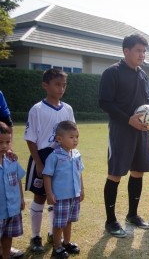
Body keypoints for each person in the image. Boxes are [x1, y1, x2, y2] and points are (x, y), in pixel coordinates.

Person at [99, 34, 149, 238]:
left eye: (144, 51)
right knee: (116, 173)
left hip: (141, 131)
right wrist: (128, 119)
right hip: (121, 130)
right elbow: (105, 102)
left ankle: (132, 214)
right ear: (126, 51)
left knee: (138, 171)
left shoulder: (143, 75)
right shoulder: (111, 72)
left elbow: (146, 101)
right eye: (138, 50)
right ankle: (110, 220)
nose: (142, 55)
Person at [24, 69, 75, 252]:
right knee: (40, 196)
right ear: (45, 85)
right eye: (57, 84)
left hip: (61, 159)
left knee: (58, 197)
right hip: (42, 156)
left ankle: (54, 234)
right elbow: (30, 138)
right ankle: (35, 236)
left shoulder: (67, 109)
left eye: (64, 85)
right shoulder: (37, 109)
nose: (61, 88)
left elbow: (72, 134)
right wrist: (38, 162)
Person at [43, 121, 84, 258]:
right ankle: (57, 247)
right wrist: (49, 193)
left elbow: (79, 173)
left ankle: (66, 242)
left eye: (77, 136)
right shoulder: (54, 156)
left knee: (69, 221)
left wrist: (81, 190)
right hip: (60, 196)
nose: (75, 140)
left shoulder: (77, 154)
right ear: (59, 139)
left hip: (74, 195)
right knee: (59, 223)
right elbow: (47, 175)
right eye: (71, 137)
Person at [0, 91, 24, 259]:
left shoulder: (11, 160)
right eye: (0, 143)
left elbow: (18, 181)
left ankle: (6, 254)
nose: (5, 146)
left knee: (8, 235)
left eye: (7, 142)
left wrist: (21, 199)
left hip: (11, 209)